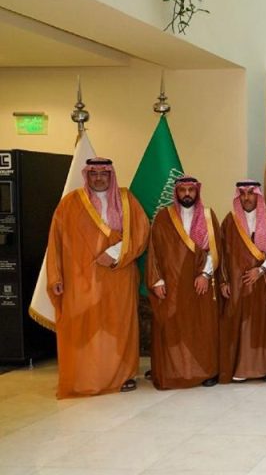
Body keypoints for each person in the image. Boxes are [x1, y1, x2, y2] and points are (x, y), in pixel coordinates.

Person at [46, 158, 150, 398]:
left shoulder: (126, 200)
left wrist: (114, 252)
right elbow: (56, 242)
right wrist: (55, 275)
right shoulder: (70, 203)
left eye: (104, 173)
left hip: (118, 275)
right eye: (94, 174)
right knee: (86, 327)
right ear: (87, 175)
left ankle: (124, 375)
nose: (99, 178)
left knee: (118, 326)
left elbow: (141, 232)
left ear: (111, 175)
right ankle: (86, 377)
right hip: (80, 280)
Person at [146, 176, 221, 389]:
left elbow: (215, 250)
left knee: (201, 328)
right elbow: (154, 250)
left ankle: (205, 372)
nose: (187, 194)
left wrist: (205, 275)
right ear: (176, 193)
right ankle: (173, 372)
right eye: (183, 190)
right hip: (171, 284)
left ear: (197, 192)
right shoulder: (163, 217)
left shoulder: (207, 216)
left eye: (191, 190)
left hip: (199, 284)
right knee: (173, 328)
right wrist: (157, 280)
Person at [217, 181, 266, 384]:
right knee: (240, 324)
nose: (246, 198)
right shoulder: (230, 221)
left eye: (250, 194)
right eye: (242, 194)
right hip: (237, 284)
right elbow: (222, 254)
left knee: (263, 326)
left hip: (263, 281)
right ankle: (242, 368)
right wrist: (224, 281)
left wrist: (261, 270)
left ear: (258, 196)